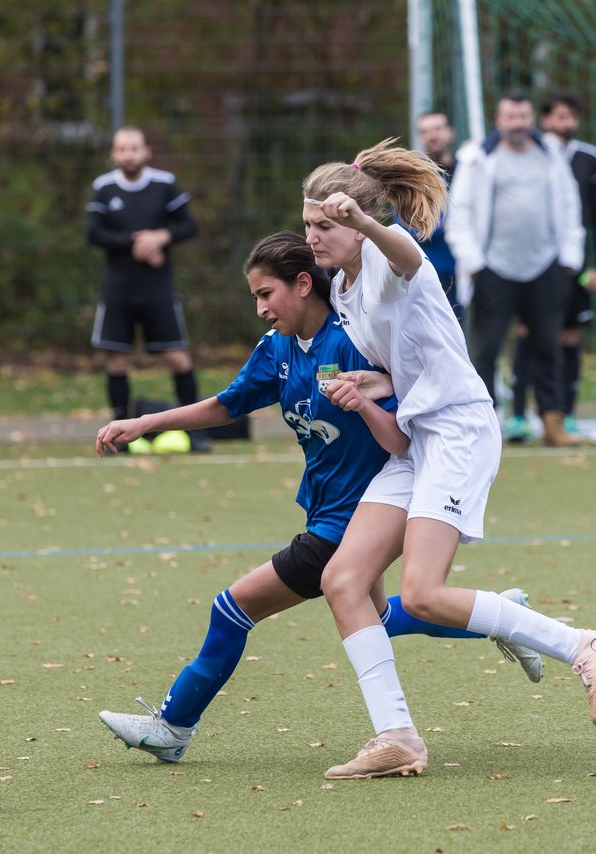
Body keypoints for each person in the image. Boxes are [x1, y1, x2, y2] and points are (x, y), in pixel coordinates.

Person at [93, 232, 542, 763]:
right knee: (377, 617)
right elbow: (227, 405)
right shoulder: (278, 349)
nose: (260, 308)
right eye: (255, 297)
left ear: (303, 284)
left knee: (231, 609)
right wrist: (146, 421)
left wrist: (369, 400)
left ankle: (173, 726)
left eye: (267, 294)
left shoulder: (357, 342)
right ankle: (501, 616)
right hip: (326, 508)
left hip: (356, 517)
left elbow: (404, 432)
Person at [303, 139, 596, 781]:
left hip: (458, 432)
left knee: (420, 593)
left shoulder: (388, 259)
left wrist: (364, 222)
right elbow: (412, 359)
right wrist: (377, 386)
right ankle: (397, 738)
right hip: (420, 436)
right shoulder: (341, 287)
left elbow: (408, 254)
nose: (313, 235)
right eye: (308, 223)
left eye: (324, 224)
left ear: (357, 224)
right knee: (341, 582)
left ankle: (582, 644)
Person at [446, 92, 585, 448]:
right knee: (486, 350)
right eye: (511, 117)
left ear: (531, 119)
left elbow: (569, 205)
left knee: (547, 347)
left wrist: (570, 257)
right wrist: (474, 263)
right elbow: (458, 211)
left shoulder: (550, 155)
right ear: (499, 120)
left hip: (545, 267)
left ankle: (553, 422)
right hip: (493, 269)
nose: (518, 123)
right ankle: (484, 425)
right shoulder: (477, 157)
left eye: (523, 116)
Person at [87, 126, 209, 452]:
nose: (129, 154)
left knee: (178, 359)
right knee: (116, 363)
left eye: (135, 148)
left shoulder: (164, 185)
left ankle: (196, 433)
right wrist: (135, 243)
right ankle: (118, 437)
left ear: (146, 152)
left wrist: (161, 237)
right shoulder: (103, 188)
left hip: (158, 291)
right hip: (118, 292)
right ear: (114, 154)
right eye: (122, 149)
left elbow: (188, 226)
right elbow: (94, 234)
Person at [508, 93, 596, 442]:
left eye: (570, 117)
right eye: (558, 117)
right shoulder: (530, 154)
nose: (564, 123)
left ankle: (565, 414)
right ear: (545, 119)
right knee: (528, 333)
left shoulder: (590, 159)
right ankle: (519, 416)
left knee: (568, 337)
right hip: (534, 265)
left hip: (573, 267)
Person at [393, 111, 462, 318]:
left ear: (451, 133)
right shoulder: (411, 176)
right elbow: (404, 222)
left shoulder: (468, 170)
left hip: (465, 267)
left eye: (438, 129)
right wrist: (445, 226)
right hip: (427, 269)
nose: (433, 136)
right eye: (426, 131)